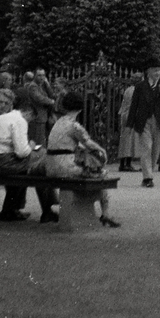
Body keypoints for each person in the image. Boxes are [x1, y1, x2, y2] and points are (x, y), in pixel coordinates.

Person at [0, 87, 54, 223]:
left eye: (7, 103)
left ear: (11, 105)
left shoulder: (6, 117)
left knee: (26, 169)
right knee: (38, 163)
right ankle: (50, 209)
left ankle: (11, 209)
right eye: (0, 102)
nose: (3, 105)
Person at [44, 90, 118, 227]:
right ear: (80, 108)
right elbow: (88, 143)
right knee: (101, 174)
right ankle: (106, 213)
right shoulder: (74, 125)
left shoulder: (58, 122)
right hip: (64, 167)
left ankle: (104, 213)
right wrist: (102, 151)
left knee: (92, 171)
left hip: (51, 166)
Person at [126, 61, 160, 188]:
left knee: (156, 149)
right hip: (144, 121)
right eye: (155, 70)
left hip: (159, 121)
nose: (158, 73)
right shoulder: (140, 86)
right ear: (148, 71)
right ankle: (148, 177)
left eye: (159, 70)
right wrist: (130, 125)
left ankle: (149, 171)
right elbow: (134, 105)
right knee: (147, 147)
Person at [16, 69, 56, 148]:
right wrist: (51, 101)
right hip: (38, 117)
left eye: (43, 75)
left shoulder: (42, 86)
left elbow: (52, 95)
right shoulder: (33, 86)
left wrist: (47, 84)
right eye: (39, 75)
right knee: (38, 142)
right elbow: (39, 98)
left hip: (43, 117)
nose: (42, 78)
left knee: (42, 141)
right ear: (35, 76)